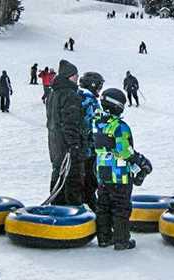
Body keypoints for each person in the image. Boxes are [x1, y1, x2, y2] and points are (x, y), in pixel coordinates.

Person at [93, 88, 151, 250]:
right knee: (121, 206)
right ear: (117, 106)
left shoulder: (97, 123)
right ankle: (121, 240)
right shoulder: (119, 126)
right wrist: (141, 161)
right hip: (119, 174)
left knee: (103, 205)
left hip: (102, 171)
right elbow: (124, 151)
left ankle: (104, 238)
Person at [46, 60, 83, 206]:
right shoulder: (70, 95)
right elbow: (70, 122)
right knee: (72, 178)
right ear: (69, 76)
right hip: (66, 144)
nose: (77, 78)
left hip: (54, 142)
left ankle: (56, 206)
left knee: (58, 173)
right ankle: (72, 214)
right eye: (75, 75)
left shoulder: (53, 94)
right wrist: (74, 145)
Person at [78, 72, 105, 211]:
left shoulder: (79, 95)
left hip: (81, 146)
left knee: (86, 176)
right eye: (99, 86)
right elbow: (93, 124)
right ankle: (90, 203)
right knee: (91, 177)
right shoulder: (90, 101)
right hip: (89, 147)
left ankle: (87, 199)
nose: (100, 90)